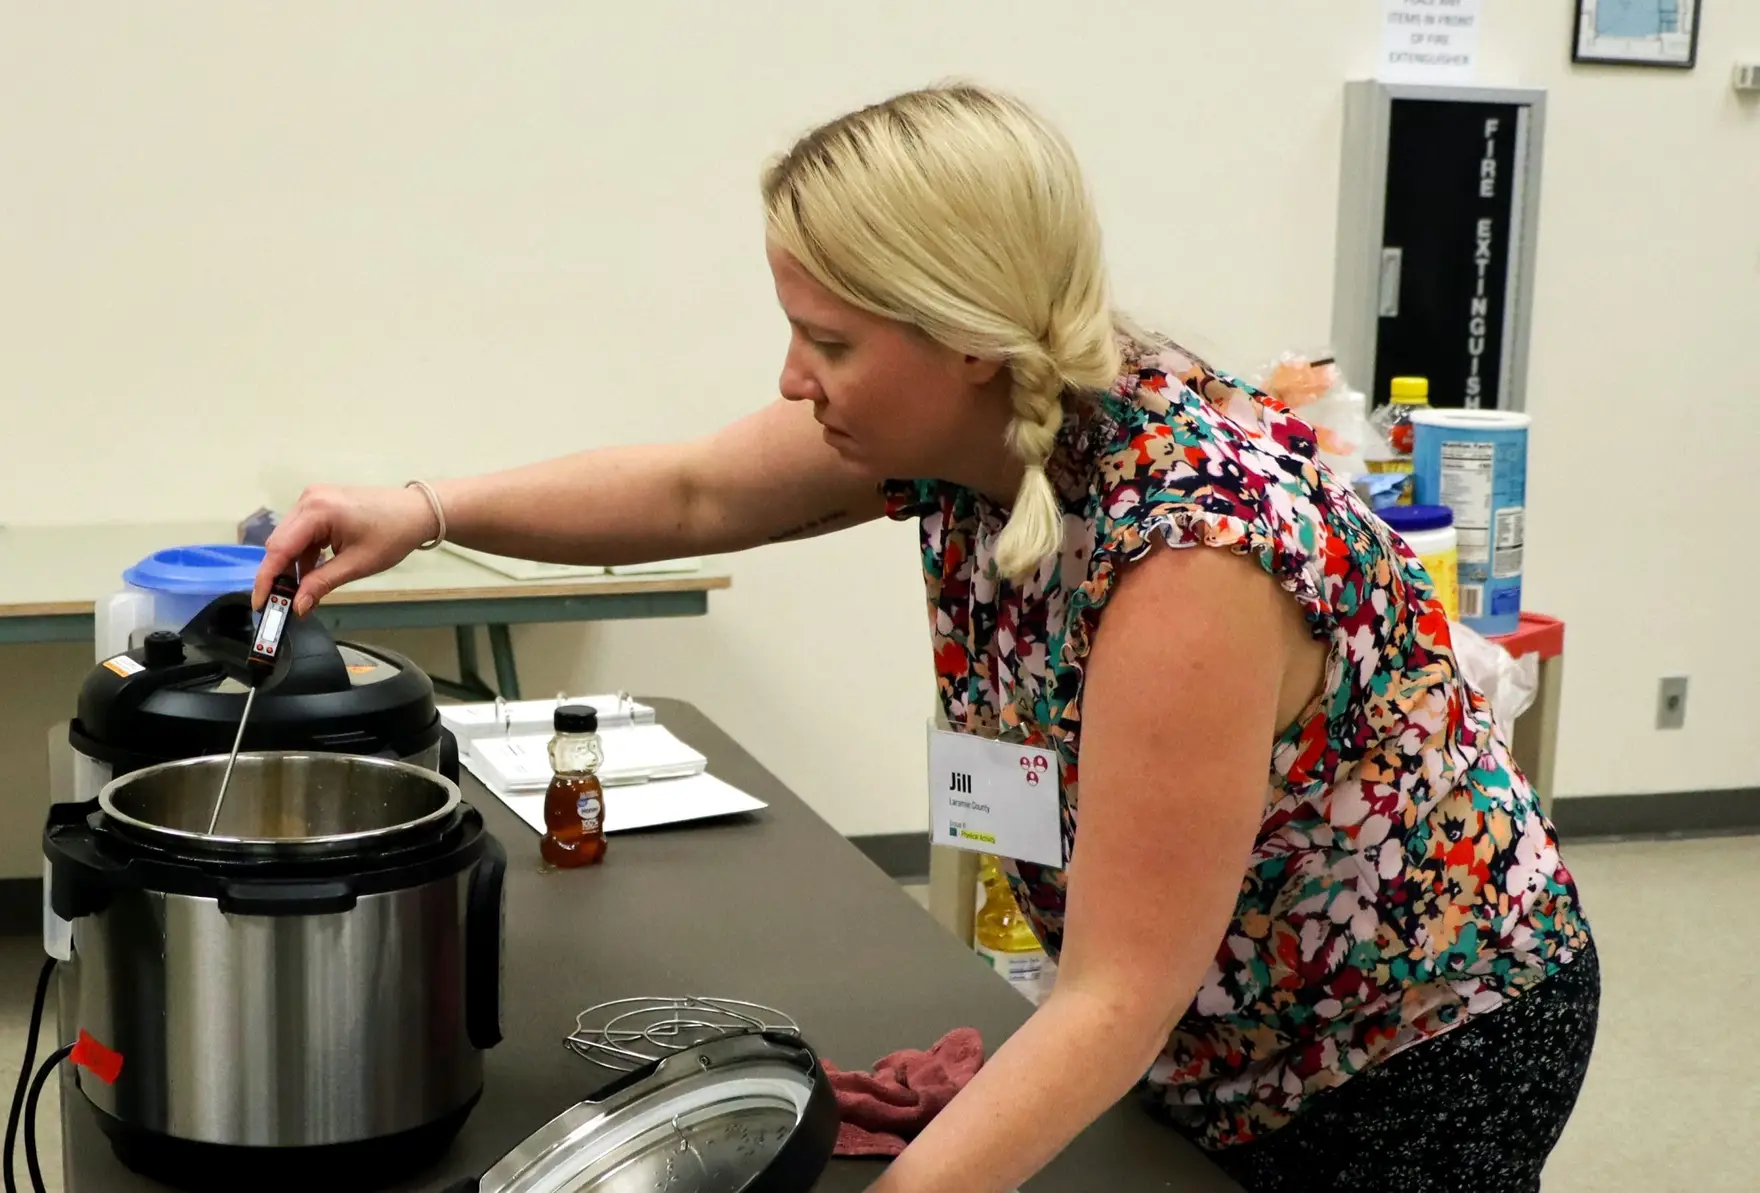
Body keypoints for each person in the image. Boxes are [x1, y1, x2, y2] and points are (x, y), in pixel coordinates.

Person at [255, 83, 1597, 1193]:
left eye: (827, 341)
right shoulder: (983, 425)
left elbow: (1114, 997)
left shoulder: (1192, 554)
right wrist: (420, 511)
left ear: (965, 337)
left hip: (1404, 1046)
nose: (793, 377)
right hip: (1215, 1024)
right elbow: (694, 491)